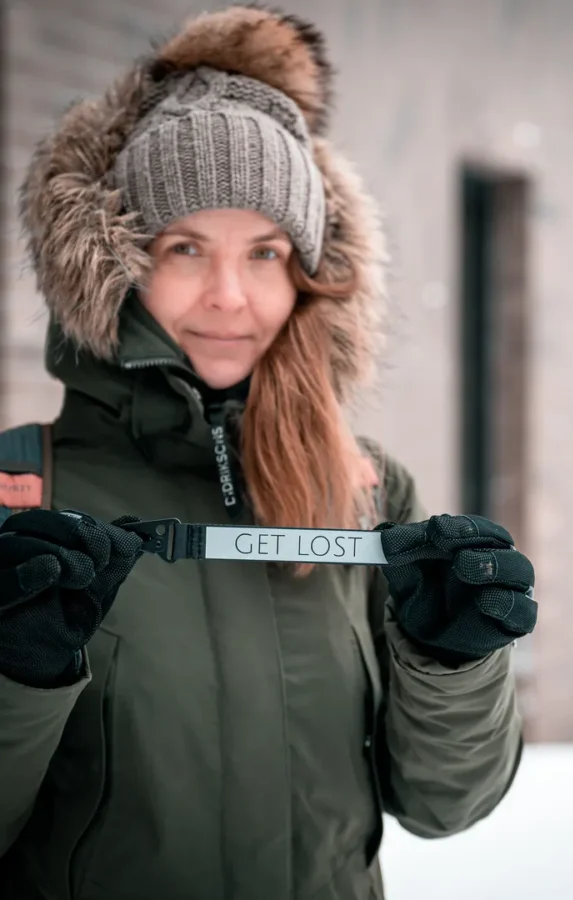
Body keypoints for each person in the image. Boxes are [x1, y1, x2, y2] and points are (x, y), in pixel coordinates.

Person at [0, 6, 537, 899]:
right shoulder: (21, 495)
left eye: (265, 251)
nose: (229, 296)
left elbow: (447, 806)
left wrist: (454, 665)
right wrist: (15, 676)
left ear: (309, 271)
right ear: (119, 259)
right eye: (184, 248)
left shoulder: (370, 490)